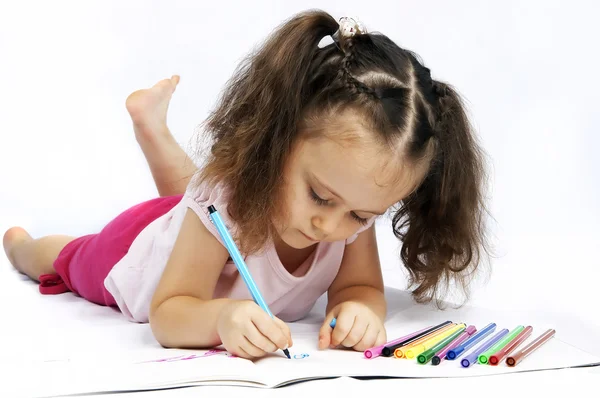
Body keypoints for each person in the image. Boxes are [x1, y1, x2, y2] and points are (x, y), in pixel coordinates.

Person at [3, 10, 489, 359]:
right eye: (320, 197)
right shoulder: (225, 202)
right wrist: (220, 319)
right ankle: (25, 246)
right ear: (276, 143)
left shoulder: (348, 202)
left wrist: (359, 308)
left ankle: (152, 129)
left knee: (196, 196)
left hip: (199, 214)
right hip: (137, 246)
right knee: (73, 258)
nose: (331, 225)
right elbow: (170, 311)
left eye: (362, 215)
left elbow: (360, 286)